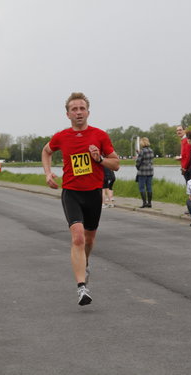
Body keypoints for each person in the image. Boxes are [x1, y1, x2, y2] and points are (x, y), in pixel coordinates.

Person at [41, 92, 119, 306]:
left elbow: (116, 164)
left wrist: (100, 158)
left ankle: (84, 264)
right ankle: (81, 288)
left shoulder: (100, 135)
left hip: (93, 193)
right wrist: (48, 173)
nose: (78, 112)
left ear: (88, 112)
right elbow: (46, 152)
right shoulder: (62, 137)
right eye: (74, 109)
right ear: (67, 114)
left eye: (81, 108)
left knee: (89, 239)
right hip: (71, 192)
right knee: (77, 237)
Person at [136, 137, 154, 208]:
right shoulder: (151, 150)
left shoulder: (142, 151)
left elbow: (138, 162)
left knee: (142, 187)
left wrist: (138, 168)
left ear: (142, 143)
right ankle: (149, 203)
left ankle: (144, 203)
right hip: (150, 171)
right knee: (149, 187)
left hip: (142, 171)